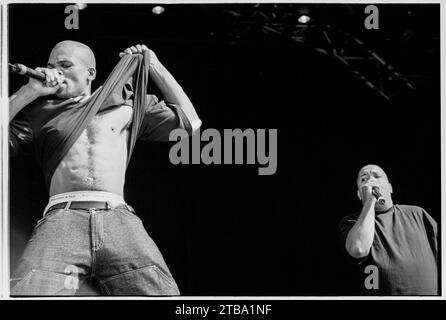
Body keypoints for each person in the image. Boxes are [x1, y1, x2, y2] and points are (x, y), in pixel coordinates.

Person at [9, 40, 201, 295]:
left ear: (91, 73)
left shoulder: (127, 107)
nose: (57, 72)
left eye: (65, 65)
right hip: (63, 218)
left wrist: (155, 66)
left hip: (118, 217)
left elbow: (191, 124)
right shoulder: (40, 113)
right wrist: (29, 92)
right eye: (51, 66)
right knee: (27, 294)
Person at [338, 164, 438, 295]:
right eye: (364, 179)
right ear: (359, 194)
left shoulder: (417, 213)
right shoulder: (352, 222)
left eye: (377, 176)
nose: (370, 179)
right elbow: (358, 249)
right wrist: (369, 202)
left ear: (390, 188)